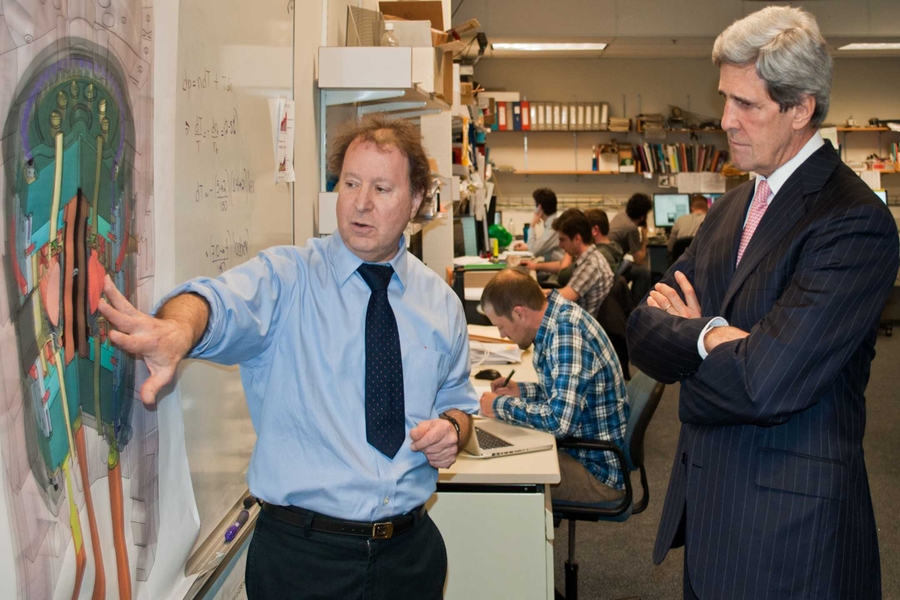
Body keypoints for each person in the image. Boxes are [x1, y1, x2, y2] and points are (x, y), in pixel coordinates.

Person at [98, 114, 479, 599]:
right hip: (303, 561)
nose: (360, 203)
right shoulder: (287, 279)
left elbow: (461, 406)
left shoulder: (438, 302)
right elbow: (214, 302)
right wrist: (177, 328)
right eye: (350, 183)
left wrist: (452, 429)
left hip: (409, 555)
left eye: (382, 188)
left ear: (417, 200)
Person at [626, 7, 899, 600]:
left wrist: (693, 341)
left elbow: (765, 384)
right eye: (725, 99)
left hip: (791, 539)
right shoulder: (730, 208)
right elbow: (642, 327)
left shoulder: (853, 222)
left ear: (800, 107)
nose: (725, 120)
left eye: (746, 104)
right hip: (711, 514)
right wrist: (712, 338)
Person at [478, 269, 630, 504]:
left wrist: (500, 405)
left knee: (499, 480)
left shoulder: (566, 333)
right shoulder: (555, 318)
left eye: (501, 326)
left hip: (596, 472)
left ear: (519, 313)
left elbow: (560, 422)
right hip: (580, 451)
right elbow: (564, 393)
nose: (503, 335)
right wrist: (522, 391)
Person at [522, 209, 613, 317]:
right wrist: (536, 272)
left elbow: (564, 296)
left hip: (578, 324)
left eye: (562, 240)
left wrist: (532, 293)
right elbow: (561, 270)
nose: (560, 245)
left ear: (577, 239)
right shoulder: (588, 257)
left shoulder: (591, 264)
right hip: (575, 316)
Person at [609, 193, 653, 302]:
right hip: (613, 265)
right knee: (643, 272)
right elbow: (639, 259)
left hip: (609, 260)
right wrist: (644, 239)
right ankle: (638, 306)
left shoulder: (621, 215)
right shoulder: (631, 228)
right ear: (643, 216)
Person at [513, 188, 565, 280]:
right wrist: (527, 246)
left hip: (556, 275)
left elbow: (534, 250)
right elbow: (542, 246)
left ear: (539, 207)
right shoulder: (552, 223)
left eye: (535, 205)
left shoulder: (553, 227)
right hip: (555, 270)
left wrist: (532, 225)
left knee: (521, 278)